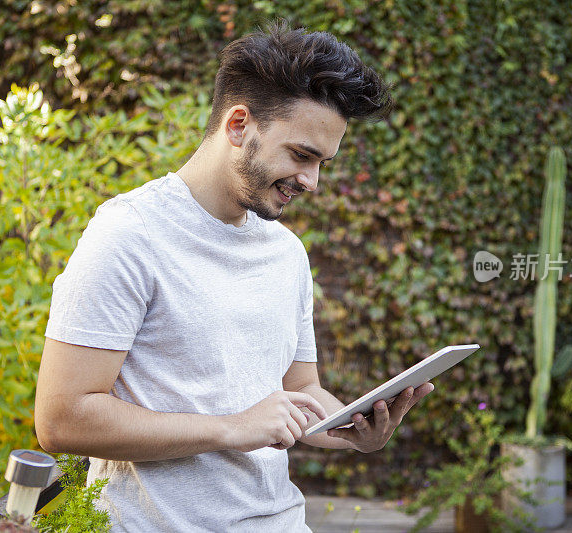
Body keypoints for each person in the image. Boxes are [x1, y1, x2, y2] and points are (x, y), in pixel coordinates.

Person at [34, 20, 435, 532]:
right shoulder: (129, 234)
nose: (312, 182)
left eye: (323, 163)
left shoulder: (286, 252)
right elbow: (61, 418)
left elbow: (302, 390)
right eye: (301, 156)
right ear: (239, 124)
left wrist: (352, 430)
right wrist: (231, 428)